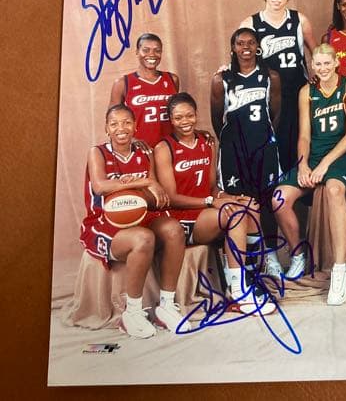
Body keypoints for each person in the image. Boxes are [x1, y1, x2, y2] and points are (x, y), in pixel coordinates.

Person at [154, 92, 272, 314]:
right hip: (181, 216)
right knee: (235, 216)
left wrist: (227, 197)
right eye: (178, 117)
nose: (185, 121)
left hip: (205, 209)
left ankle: (251, 277)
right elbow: (171, 197)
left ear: (196, 114)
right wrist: (211, 202)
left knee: (251, 207)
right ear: (170, 119)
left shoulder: (206, 142)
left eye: (189, 115)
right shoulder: (164, 148)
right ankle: (237, 291)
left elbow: (212, 187)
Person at [80, 104, 189, 338]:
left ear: (135, 126)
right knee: (144, 238)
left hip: (140, 215)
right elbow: (100, 186)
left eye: (127, 122)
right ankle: (132, 313)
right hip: (105, 221)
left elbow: (155, 195)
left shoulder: (144, 152)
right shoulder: (97, 152)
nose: (121, 128)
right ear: (106, 128)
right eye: (114, 124)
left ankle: (166, 306)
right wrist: (143, 182)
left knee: (174, 229)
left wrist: (148, 190)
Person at [272, 44, 346, 305]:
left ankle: (339, 269)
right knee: (279, 198)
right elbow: (304, 136)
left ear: (336, 63)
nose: (323, 68)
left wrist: (324, 165)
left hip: (342, 153)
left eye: (327, 63)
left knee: (334, 190)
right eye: (318, 64)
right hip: (314, 155)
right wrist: (303, 165)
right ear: (312, 66)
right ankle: (298, 255)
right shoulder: (307, 92)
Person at [210, 28, 286, 279]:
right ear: (233, 48)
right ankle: (242, 266)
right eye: (240, 43)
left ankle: (270, 256)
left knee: (266, 201)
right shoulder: (221, 79)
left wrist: (261, 136)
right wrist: (233, 140)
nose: (246, 48)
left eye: (251, 43)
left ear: (258, 46)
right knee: (238, 202)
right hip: (233, 151)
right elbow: (217, 118)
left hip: (263, 148)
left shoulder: (270, 77)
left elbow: (275, 113)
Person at [239, 0, 317, 174]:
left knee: (297, 139)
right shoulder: (250, 23)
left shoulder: (299, 20)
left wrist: (318, 74)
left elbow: (316, 52)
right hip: (266, 94)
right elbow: (240, 58)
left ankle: (297, 186)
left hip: (296, 90)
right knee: (269, 143)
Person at [109, 33, 179, 147]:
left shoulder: (172, 79)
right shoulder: (123, 83)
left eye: (157, 50)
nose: (152, 54)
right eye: (146, 50)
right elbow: (111, 121)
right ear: (137, 52)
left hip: (169, 147)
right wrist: (132, 140)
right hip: (140, 149)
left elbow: (179, 114)